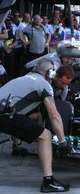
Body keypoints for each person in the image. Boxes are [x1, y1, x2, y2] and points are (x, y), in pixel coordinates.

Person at [0, 58, 71, 192]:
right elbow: (54, 115)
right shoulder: (44, 85)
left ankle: (17, 147)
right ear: (50, 73)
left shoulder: (23, 79)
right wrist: (63, 142)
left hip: (5, 112)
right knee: (46, 135)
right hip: (6, 115)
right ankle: (48, 182)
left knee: (27, 118)